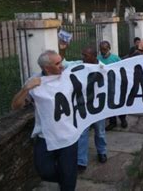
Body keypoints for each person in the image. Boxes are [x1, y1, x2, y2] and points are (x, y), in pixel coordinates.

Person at [11, 50, 78, 191]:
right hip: (45, 136)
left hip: (68, 137)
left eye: (62, 61)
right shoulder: (35, 81)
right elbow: (15, 106)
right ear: (47, 68)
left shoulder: (68, 74)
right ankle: (65, 179)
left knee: (69, 178)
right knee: (44, 171)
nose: (62, 66)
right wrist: (26, 89)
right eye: (58, 63)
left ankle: (67, 182)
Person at [77, 47, 108, 172]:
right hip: (83, 106)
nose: (83, 57)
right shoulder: (80, 67)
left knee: (100, 131)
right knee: (82, 134)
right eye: (83, 55)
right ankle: (81, 161)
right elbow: (64, 64)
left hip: (98, 107)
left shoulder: (103, 68)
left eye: (85, 55)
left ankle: (102, 152)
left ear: (94, 56)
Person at [98, 41, 127, 131]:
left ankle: (123, 119)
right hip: (104, 86)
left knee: (119, 104)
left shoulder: (115, 58)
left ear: (109, 48)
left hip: (115, 85)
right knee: (109, 105)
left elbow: (122, 69)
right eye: (101, 49)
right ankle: (112, 122)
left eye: (104, 49)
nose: (102, 51)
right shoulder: (98, 58)